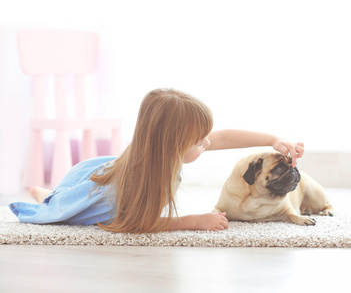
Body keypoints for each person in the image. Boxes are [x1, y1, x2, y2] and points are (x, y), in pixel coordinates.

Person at [9, 88, 304, 233]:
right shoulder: (142, 185)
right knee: (59, 210)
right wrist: (192, 221)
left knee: (59, 196)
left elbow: (223, 137)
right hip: (95, 191)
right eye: (200, 142)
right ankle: (46, 196)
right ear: (174, 146)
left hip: (96, 171)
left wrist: (272, 139)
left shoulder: (161, 153)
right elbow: (137, 223)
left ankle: (47, 192)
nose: (208, 143)